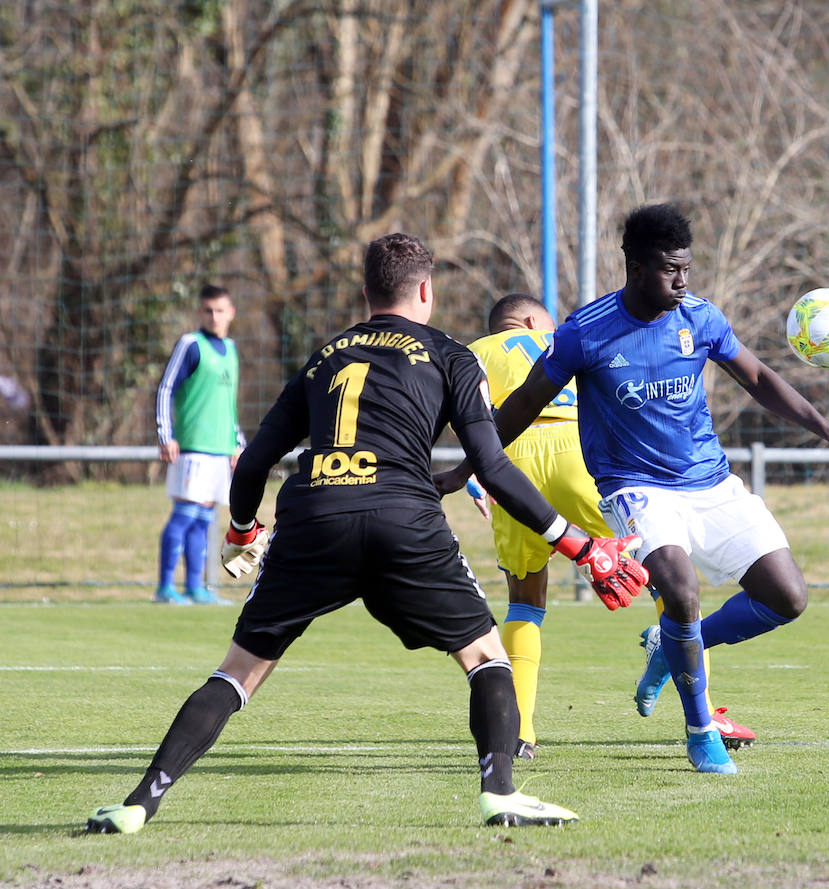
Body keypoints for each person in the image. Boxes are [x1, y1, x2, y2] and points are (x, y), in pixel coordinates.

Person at [84, 233, 647, 835]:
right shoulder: (452, 355)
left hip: (313, 518)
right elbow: (493, 465)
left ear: (366, 294)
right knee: (486, 657)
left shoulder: (326, 356)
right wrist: (581, 546)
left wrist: (244, 531)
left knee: (237, 673)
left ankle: (139, 802)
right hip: (404, 519)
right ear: (426, 289)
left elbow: (252, 464)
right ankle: (500, 791)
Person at [438, 204, 829, 774]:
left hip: (709, 481)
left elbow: (760, 378)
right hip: (634, 488)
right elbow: (519, 408)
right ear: (635, 267)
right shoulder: (585, 332)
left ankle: (669, 647)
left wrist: (828, 430)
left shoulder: (701, 318)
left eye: (687, 268)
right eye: (671, 270)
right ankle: (699, 731)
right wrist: (465, 469)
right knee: (679, 588)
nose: (683, 280)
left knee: (787, 597)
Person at [459, 293, 756, 758]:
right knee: (669, 586)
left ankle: (521, 732)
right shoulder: (564, 337)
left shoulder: (476, 351)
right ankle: (706, 714)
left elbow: (471, 418)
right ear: (535, 320)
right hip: (577, 453)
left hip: (510, 458)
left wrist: (476, 478)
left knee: (525, 602)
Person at [154, 285, 243, 605]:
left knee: (205, 519)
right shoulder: (191, 345)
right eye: (208, 310)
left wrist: (237, 442)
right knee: (184, 515)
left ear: (231, 312)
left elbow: (227, 405)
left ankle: (195, 588)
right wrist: (166, 435)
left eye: (220, 310)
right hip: (193, 447)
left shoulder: (231, 349)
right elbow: (166, 389)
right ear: (200, 312)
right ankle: (165, 587)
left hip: (221, 450)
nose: (214, 316)